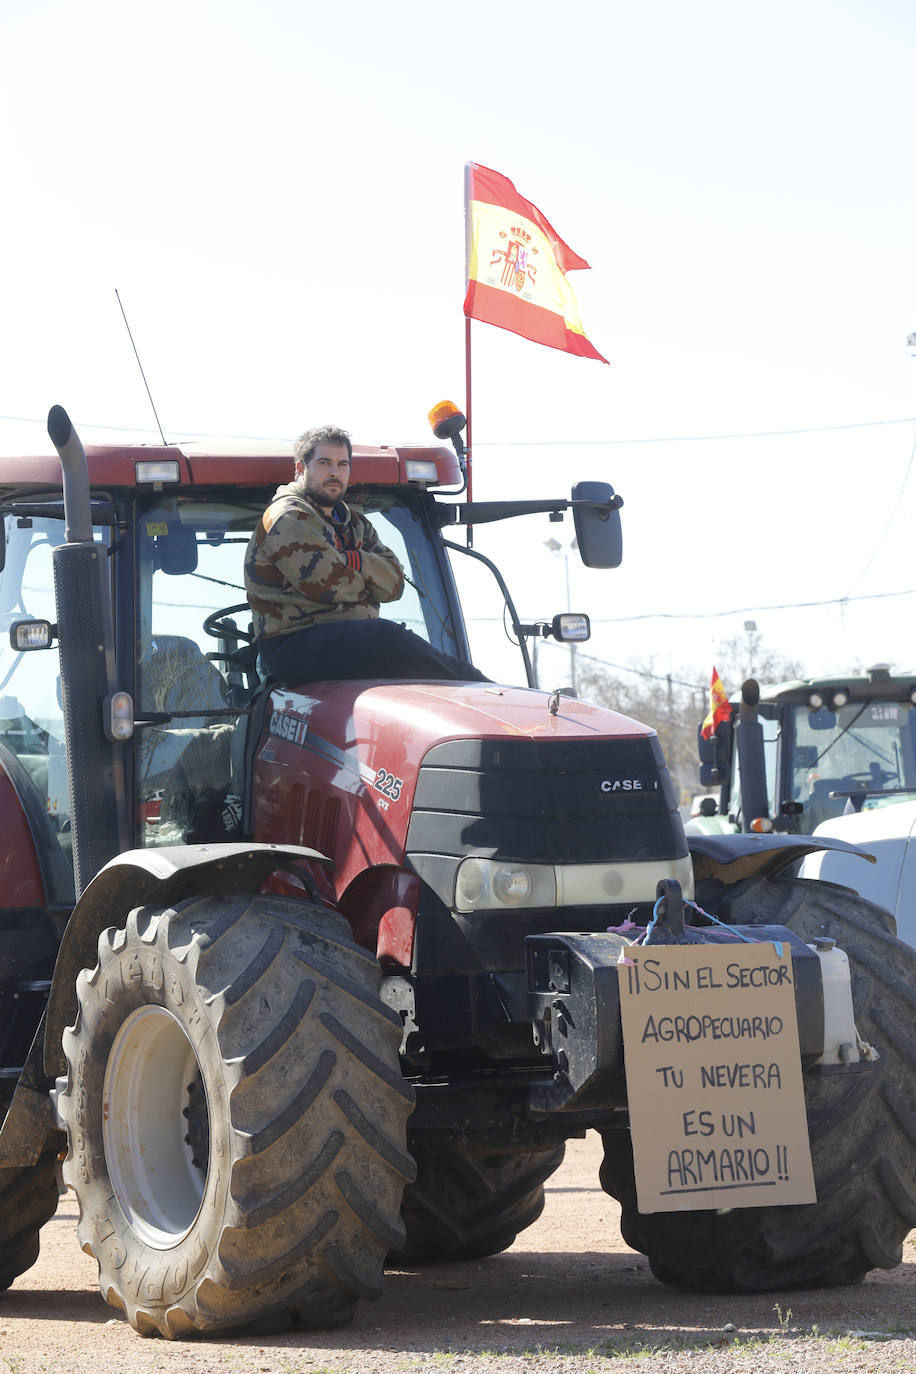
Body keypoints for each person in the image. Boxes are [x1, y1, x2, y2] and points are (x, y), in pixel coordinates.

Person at [244, 424, 488, 686]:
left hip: (347, 642)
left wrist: (354, 561)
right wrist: (369, 580)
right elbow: (329, 585)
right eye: (325, 463)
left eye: (342, 464)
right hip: (296, 645)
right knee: (386, 638)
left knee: (406, 671)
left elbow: (395, 585)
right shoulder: (289, 516)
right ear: (301, 469)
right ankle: (479, 688)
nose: (334, 472)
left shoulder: (355, 524)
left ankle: (481, 695)